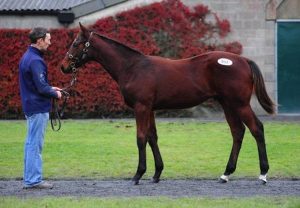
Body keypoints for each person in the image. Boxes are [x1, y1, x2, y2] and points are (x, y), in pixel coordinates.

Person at [19, 27, 62, 189]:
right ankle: (33, 180)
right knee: (35, 144)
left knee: (30, 143)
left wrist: (52, 88)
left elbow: (39, 84)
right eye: (48, 39)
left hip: (31, 106)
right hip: (37, 107)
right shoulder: (36, 60)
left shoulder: (27, 57)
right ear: (39, 41)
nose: (50, 43)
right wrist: (55, 94)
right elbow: (42, 88)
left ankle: (30, 178)